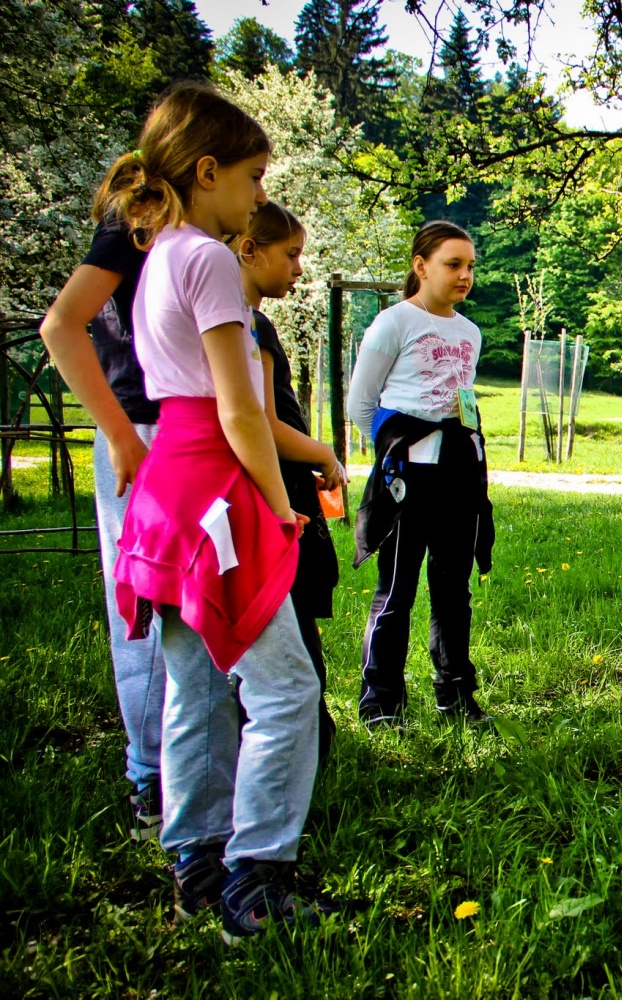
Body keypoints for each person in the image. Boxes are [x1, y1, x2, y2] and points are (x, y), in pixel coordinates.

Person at [104, 83, 324, 941]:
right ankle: (257, 880)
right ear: (207, 171)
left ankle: (194, 859)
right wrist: (278, 506)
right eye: (254, 174)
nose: (260, 193)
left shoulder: (159, 252)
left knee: (195, 682)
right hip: (215, 494)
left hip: (167, 487)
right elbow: (240, 412)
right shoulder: (206, 258)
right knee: (285, 688)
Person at [39, 146, 168, 846]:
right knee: (143, 616)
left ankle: (194, 769)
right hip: (142, 433)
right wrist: (118, 434)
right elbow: (61, 325)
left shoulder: (195, 227)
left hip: (193, 433)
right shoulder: (137, 220)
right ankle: (148, 780)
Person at [348, 220, 495, 729]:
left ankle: (454, 693)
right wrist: (397, 449)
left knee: (453, 591)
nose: (465, 275)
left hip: (457, 477)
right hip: (408, 478)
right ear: (421, 266)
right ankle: (381, 701)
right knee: (397, 590)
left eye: (470, 265)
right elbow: (361, 405)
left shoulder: (470, 332)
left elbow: (462, 405)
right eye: (453, 264)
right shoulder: (393, 324)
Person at [236, 201, 343, 761]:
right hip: (273, 493)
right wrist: (324, 452)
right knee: (291, 622)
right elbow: (261, 420)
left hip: (277, 489)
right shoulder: (247, 326)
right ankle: (305, 746)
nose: (299, 269)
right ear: (249, 252)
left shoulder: (254, 321)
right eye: (291, 254)